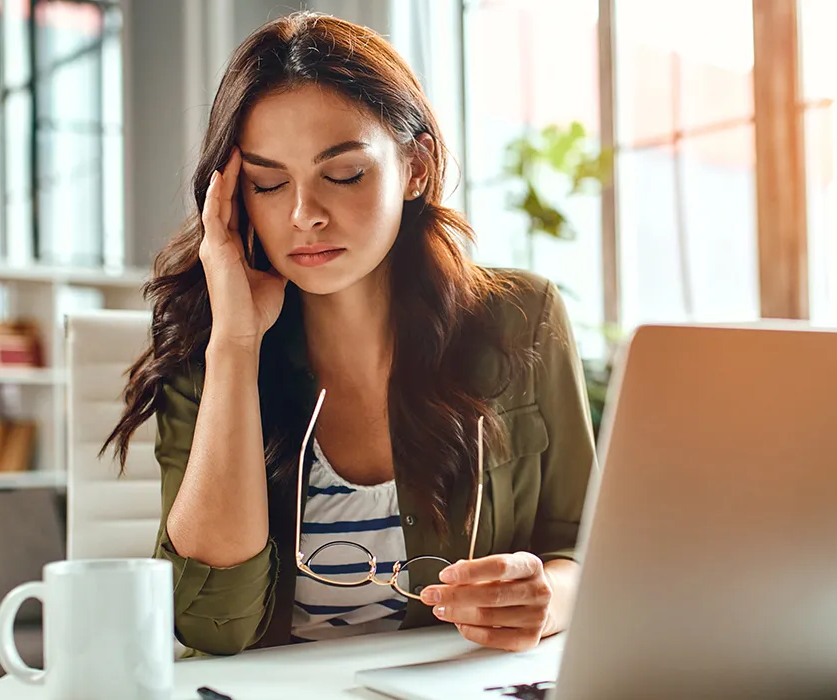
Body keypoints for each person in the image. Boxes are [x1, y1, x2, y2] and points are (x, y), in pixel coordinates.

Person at [103, 11, 596, 657]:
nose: (305, 214)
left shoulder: (520, 316)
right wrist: (234, 346)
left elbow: (585, 545)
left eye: (343, 174)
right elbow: (212, 623)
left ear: (416, 166)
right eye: (268, 183)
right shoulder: (210, 345)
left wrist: (548, 598)